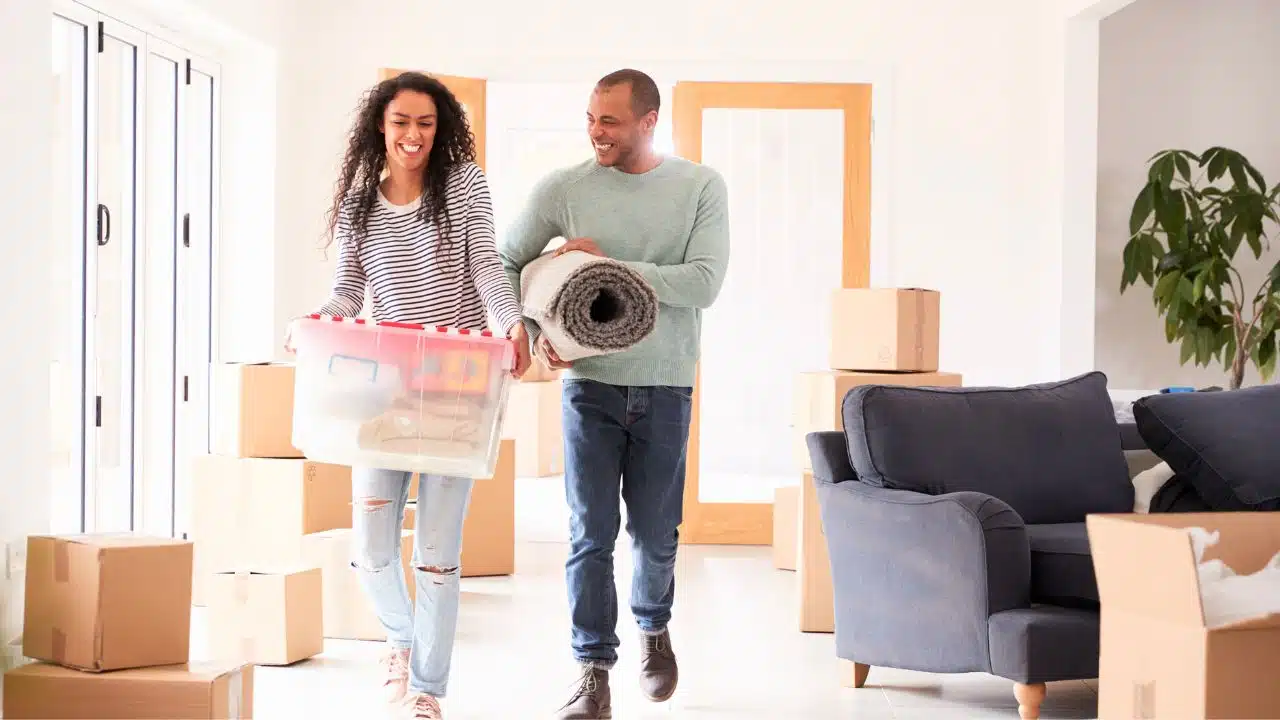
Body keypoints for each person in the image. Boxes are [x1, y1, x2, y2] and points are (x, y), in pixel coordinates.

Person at [290, 71, 531, 720]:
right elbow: (346, 290)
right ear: (381, 126)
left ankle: (427, 688)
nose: (414, 135)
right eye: (402, 123)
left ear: (440, 127)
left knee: (437, 558)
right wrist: (313, 323)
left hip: (457, 392)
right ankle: (400, 640)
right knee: (370, 550)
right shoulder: (361, 205)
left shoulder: (465, 186)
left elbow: (487, 265)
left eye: (426, 123)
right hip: (385, 396)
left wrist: (510, 321)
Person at [499, 68, 730, 719]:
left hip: (665, 384)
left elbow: (704, 281)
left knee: (656, 536)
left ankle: (653, 628)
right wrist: (527, 321)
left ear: (649, 121)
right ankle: (593, 668)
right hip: (589, 389)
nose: (596, 132)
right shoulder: (564, 188)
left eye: (611, 121)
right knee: (589, 534)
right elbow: (506, 260)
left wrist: (605, 271)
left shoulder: (699, 187)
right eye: (592, 118)